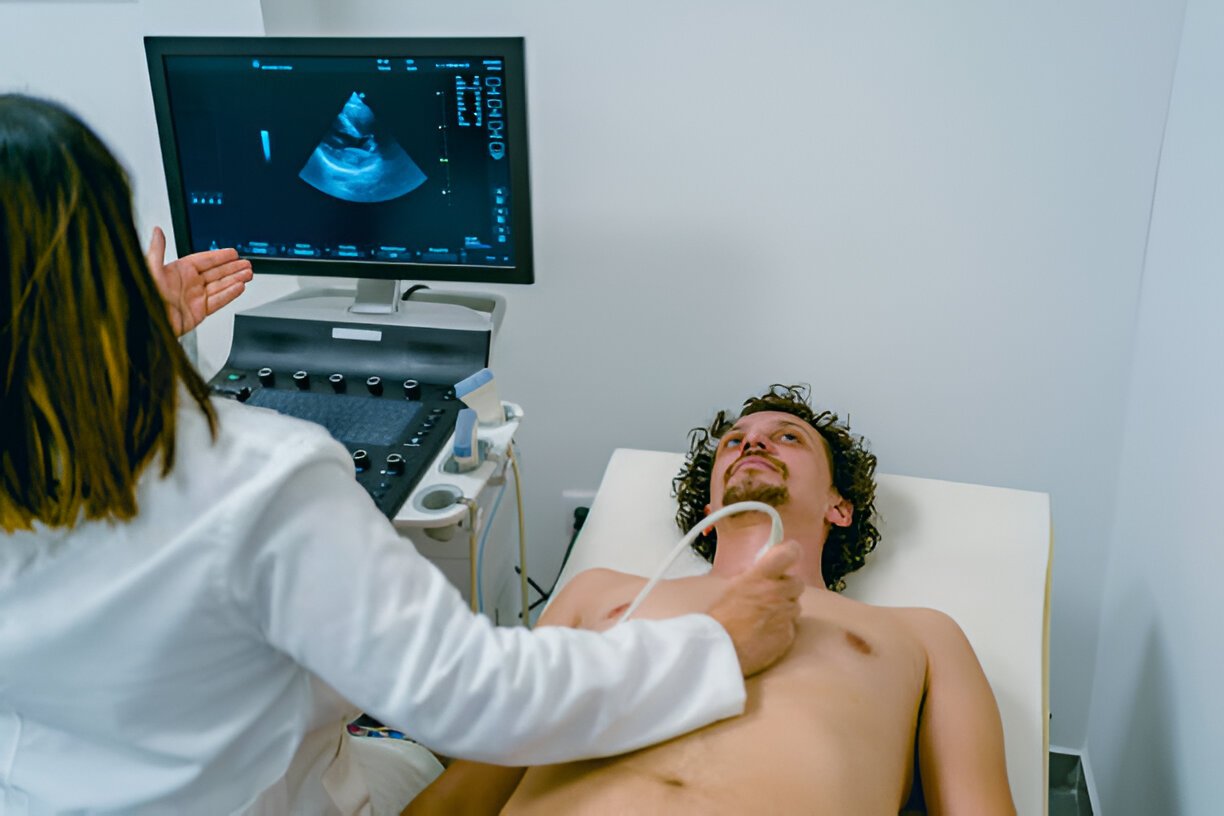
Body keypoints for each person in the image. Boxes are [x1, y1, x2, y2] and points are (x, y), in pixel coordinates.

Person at [0, 94, 804, 815]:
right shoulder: (255, 476)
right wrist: (716, 647)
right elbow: (479, 700)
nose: (754, 447)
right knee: (420, 754)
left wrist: (120, 349)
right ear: (104, 273)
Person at [406, 384, 1017, 816]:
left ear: (839, 506)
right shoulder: (602, 593)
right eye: (735, 442)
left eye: (787, 437)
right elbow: (480, 780)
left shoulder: (922, 636)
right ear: (709, 506)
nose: (754, 445)